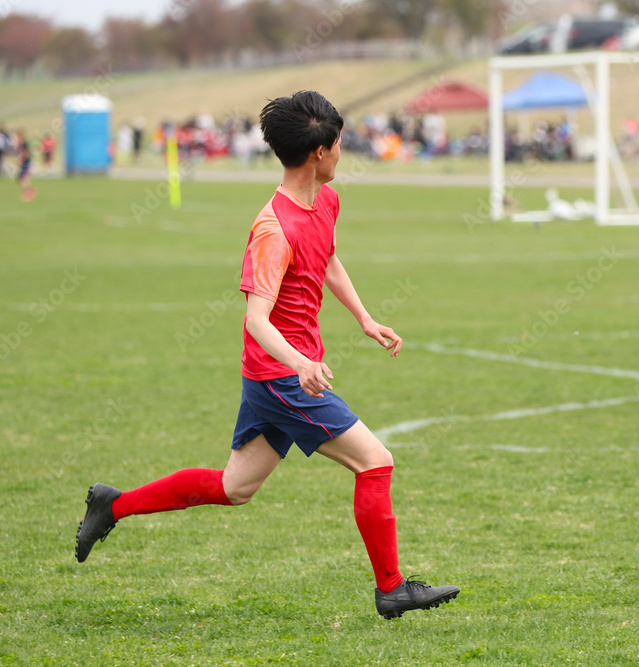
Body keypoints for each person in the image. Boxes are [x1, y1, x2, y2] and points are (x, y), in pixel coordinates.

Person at [74, 90, 459, 620]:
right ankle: (391, 589)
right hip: (283, 378)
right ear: (321, 151)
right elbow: (256, 320)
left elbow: (325, 259)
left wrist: (365, 319)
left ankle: (112, 504)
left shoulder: (324, 201)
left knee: (235, 487)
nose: (344, 151)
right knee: (376, 463)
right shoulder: (272, 231)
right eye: (341, 143)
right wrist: (300, 363)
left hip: (279, 375)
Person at [17, 131, 36, 201]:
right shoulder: (21, 144)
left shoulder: (24, 144)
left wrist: (21, 161)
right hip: (25, 162)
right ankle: (29, 192)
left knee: (23, 178)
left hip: (26, 162)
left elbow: (25, 153)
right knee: (23, 178)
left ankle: (29, 193)